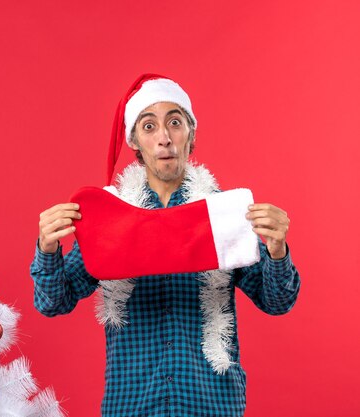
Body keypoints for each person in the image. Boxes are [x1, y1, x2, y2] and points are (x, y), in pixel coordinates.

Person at [29, 74, 301, 417]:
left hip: (211, 403)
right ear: (135, 142)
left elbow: (277, 302)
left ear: (191, 135)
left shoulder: (222, 216)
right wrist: (48, 249)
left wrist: (277, 249)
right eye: (149, 126)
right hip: (131, 402)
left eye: (175, 122)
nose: (164, 138)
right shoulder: (111, 218)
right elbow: (53, 302)